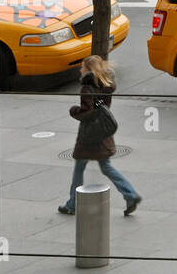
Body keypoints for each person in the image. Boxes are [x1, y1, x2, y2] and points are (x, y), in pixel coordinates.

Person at [57, 55, 142, 216]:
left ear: (89, 70)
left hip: (89, 134)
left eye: (82, 67)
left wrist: (74, 110)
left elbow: (87, 111)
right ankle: (130, 194)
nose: (80, 69)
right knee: (106, 166)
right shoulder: (105, 85)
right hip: (102, 132)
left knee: (79, 167)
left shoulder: (87, 88)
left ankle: (72, 204)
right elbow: (101, 108)